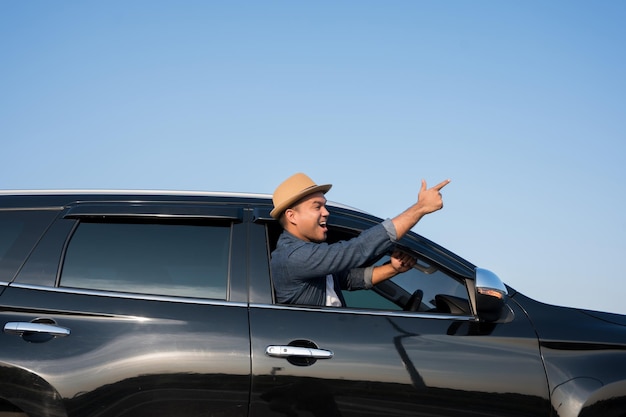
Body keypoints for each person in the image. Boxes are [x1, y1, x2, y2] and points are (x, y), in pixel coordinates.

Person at [270, 172, 450, 307]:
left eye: (325, 206)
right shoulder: (293, 256)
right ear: (292, 216)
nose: (326, 212)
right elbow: (355, 250)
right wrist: (420, 208)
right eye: (317, 207)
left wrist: (393, 268)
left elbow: (348, 279)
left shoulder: (310, 257)